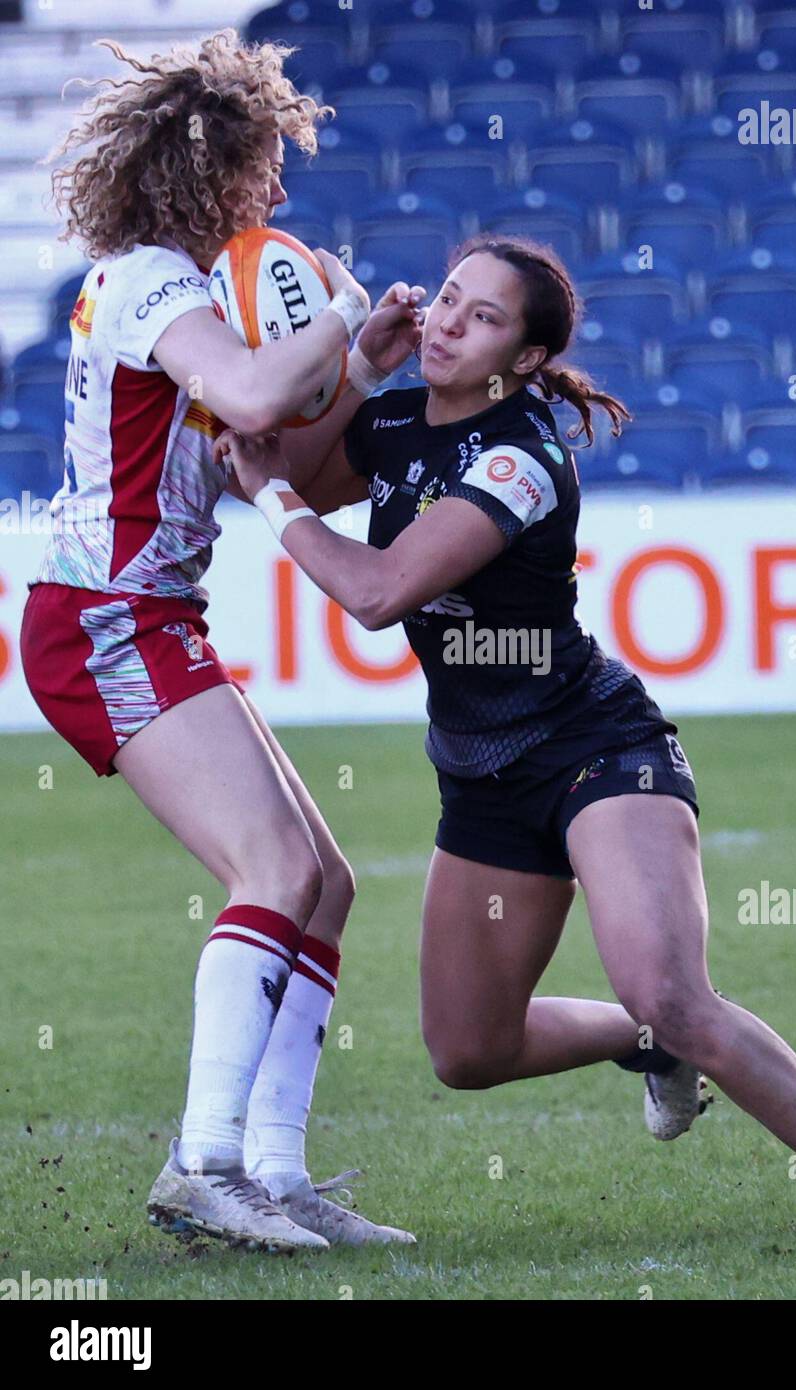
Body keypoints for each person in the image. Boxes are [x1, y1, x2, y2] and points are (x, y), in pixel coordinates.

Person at [217, 234, 796, 1237]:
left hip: (594, 748)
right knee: (466, 1052)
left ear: (522, 359)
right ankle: (647, 1043)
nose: (446, 321)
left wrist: (276, 496)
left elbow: (377, 590)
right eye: (444, 297)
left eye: (481, 317)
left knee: (672, 990)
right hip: (479, 775)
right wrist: (356, 363)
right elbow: (276, 461)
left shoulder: (522, 456)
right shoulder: (391, 415)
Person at [19, 28, 417, 1253]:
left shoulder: (192, 300)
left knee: (325, 883)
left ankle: (276, 1174)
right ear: (206, 176)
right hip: (103, 619)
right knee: (276, 872)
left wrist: (361, 368)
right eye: (260, 168)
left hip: (139, 619)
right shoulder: (149, 280)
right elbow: (253, 401)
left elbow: (283, 467)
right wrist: (341, 310)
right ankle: (204, 1166)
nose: (279, 196)